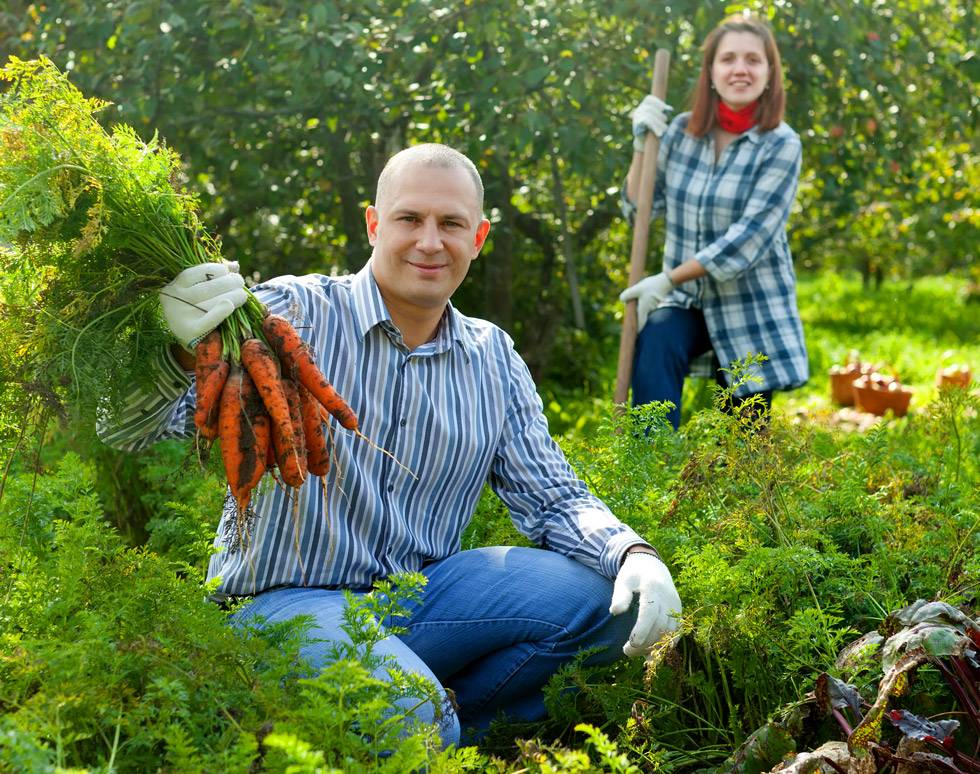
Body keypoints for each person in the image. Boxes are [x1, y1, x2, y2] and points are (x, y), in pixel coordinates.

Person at [102, 143, 682, 747]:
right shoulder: (286, 313)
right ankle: (416, 726)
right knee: (415, 718)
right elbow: (127, 427)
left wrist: (632, 553)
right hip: (282, 603)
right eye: (410, 219)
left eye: (451, 223)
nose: (430, 242)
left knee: (604, 605)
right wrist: (169, 350)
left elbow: (553, 498)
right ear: (375, 225)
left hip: (422, 600)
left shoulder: (493, 358)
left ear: (478, 237)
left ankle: (451, 729)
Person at [619, 15, 808, 430]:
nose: (740, 69)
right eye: (728, 59)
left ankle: (733, 487)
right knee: (657, 339)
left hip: (749, 307)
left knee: (741, 447)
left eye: (753, 60)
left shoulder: (781, 144)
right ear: (711, 72)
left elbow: (749, 239)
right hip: (687, 302)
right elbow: (641, 211)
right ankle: (646, 471)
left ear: (770, 73)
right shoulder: (681, 133)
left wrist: (667, 279)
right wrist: (640, 145)